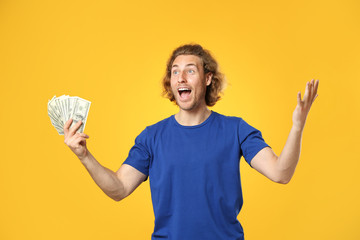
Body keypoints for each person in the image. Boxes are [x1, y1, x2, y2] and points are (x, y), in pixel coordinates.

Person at [63, 44, 319, 240]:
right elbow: (119, 189)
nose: (181, 78)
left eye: (190, 71)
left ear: (207, 79)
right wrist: (84, 156)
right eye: (175, 72)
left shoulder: (236, 129)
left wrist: (297, 126)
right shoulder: (152, 137)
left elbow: (280, 173)